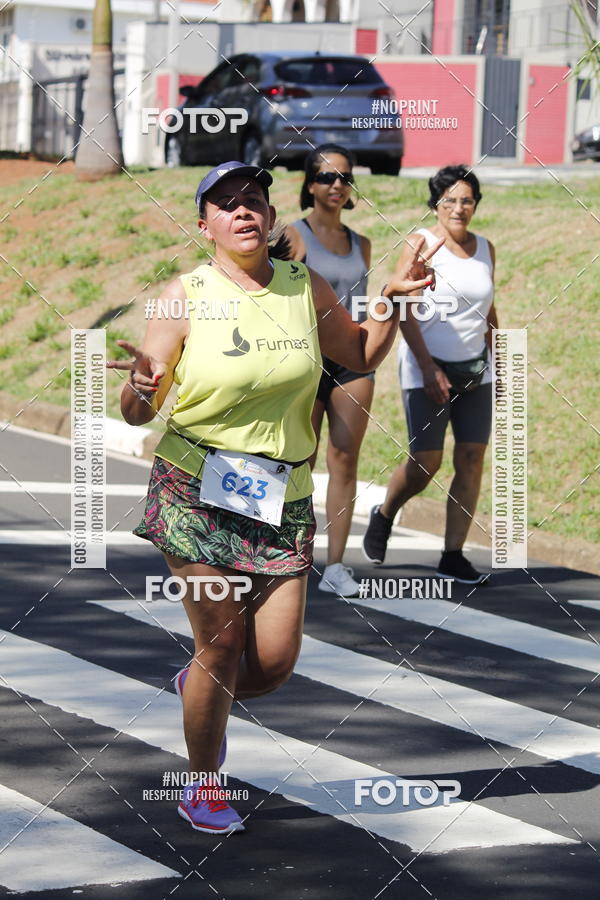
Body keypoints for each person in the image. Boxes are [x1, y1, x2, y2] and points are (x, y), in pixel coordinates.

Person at [107, 161, 440, 835]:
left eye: (253, 199)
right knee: (222, 642)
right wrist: (141, 386)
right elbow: (139, 410)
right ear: (205, 225)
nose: (243, 210)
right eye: (225, 204)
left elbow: (360, 354)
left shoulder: (301, 286)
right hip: (195, 489)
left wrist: (391, 298)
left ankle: (201, 687)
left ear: (269, 214)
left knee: (274, 663)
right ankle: (202, 784)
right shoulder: (183, 295)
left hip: (280, 496)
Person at [362, 165, 498, 584]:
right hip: (426, 365)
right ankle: (386, 512)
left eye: (467, 200)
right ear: (436, 204)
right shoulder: (420, 243)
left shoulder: (486, 248)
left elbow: (488, 309)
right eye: (450, 200)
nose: (459, 208)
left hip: (475, 369)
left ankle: (453, 554)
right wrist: (427, 366)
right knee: (426, 461)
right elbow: (403, 304)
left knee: (471, 459)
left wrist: (501, 363)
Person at [286, 144, 373, 598]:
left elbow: (361, 305)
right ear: (309, 184)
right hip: (305, 360)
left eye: (345, 177)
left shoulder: (363, 244)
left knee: (344, 459)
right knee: (300, 458)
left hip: (351, 363)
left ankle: (336, 565)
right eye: (326, 177)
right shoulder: (293, 236)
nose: (337, 184)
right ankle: (290, 556)